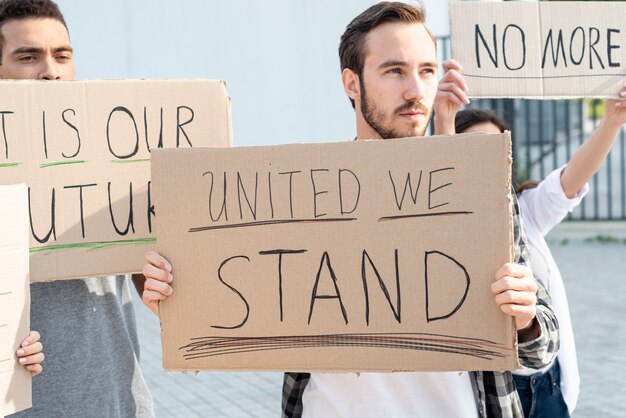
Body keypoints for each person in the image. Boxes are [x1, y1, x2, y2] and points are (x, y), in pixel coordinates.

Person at [141, 2, 559, 418]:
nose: (415, 90)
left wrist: (525, 319)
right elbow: (247, 300)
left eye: (427, 71)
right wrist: (183, 300)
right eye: (394, 71)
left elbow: (543, 350)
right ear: (352, 84)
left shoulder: (481, 190)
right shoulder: (303, 194)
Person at [0, 1, 154, 416]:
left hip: (120, 402)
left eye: (61, 56)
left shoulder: (113, 151)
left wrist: (165, 282)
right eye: (28, 56)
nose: (50, 70)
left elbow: (144, 279)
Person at [455, 97, 626, 417]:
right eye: (473, 148)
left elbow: (573, 177)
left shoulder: (525, 210)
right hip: (494, 394)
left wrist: (611, 122)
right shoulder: (439, 226)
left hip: (546, 383)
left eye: (496, 149)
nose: (486, 159)